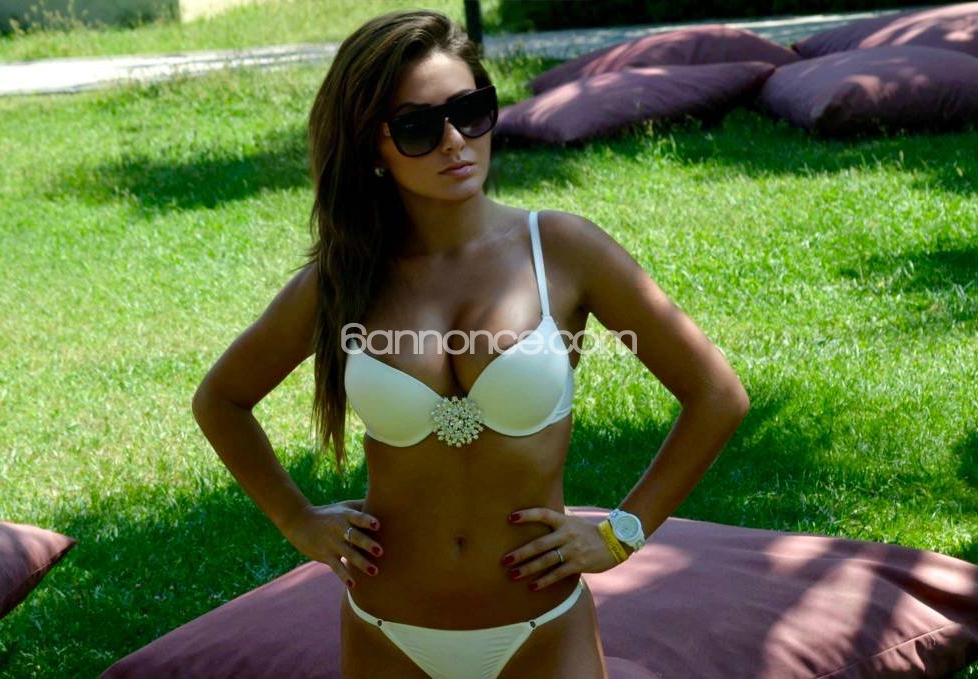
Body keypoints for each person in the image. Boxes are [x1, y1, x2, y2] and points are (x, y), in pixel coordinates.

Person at [191, 9, 750, 679]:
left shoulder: (562, 250)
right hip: (387, 631)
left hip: (541, 629)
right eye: (418, 127)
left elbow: (716, 394)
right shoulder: (344, 279)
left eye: (470, 112)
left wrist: (621, 531)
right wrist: (296, 519)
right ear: (373, 145)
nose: (454, 141)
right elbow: (221, 399)